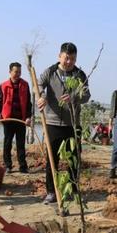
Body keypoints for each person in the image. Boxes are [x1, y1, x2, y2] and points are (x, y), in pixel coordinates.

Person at [37, 42, 91, 215]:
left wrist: (74, 96)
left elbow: (86, 95)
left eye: (73, 59)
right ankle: (51, 192)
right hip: (52, 123)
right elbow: (38, 84)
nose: (69, 62)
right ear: (59, 56)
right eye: (67, 58)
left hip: (72, 124)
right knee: (51, 159)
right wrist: (41, 95)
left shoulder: (80, 74)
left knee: (74, 159)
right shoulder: (50, 72)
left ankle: (74, 191)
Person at [0, 62, 32, 173]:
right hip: (8, 120)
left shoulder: (25, 84)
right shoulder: (3, 85)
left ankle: (23, 167)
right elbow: (0, 102)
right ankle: (8, 166)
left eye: (19, 72)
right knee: (7, 143)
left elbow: (29, 103)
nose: (18, 74)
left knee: (20, 144)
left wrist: (28, 117)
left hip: (21, 120)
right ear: (10, 72)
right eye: (16, 72)